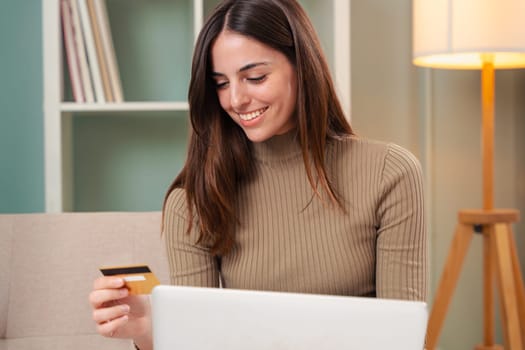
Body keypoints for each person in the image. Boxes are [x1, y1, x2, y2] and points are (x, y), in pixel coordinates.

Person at [88, 0, 428, 349]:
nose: (235, 99)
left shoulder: (390, 174)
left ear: (302, 66)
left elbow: (401, 339)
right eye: (220, 83)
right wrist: (148, 333)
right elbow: (198, 343)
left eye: (255, 77)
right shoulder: (194, 200)